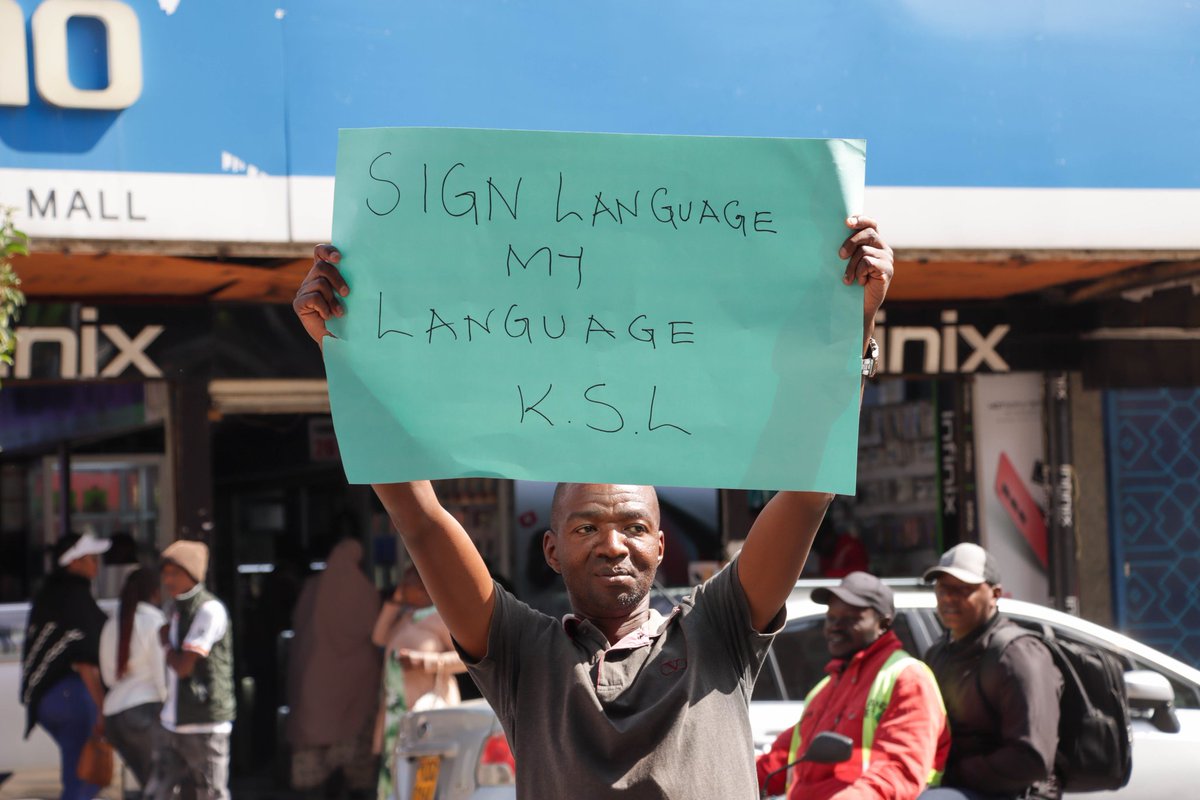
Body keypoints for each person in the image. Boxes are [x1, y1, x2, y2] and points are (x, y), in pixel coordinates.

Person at [292, 215, 893, 798]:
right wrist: (344, 355)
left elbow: (810, 490)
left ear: (661, 545)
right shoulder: (521, 654)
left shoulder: (720, 630)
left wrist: (855, 324)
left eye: (634, 527)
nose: (613, 544)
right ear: (550, 549)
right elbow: (420, 519)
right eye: (587, 527)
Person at [757, 572, 950, 800]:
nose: (834, 627)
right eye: (832, 618)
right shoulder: (825, 689)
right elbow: (777, 762)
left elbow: (898, 771)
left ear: (884, 623)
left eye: (850, 619)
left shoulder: (907, 678)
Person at [918, 544, 1063, 800]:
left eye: (963, 590)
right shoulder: (938, 653)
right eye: (942, 589)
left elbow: (1031, 757)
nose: (949, 598)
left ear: (995, 594)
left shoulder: (1019, 655)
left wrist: (953, 773)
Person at [287, 538, 382, 799]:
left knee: (315, 746)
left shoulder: (312, 589)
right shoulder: (364, 592)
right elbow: (376, 632)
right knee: (352, 744)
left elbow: (297, 625)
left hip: (315, 681)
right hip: (356, 681)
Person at [20, 531, 112, 800]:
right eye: (90, 558)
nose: (96, 563)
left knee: (80, 773)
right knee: (82, 779)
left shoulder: (54, 593)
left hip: (50, 698)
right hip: (70, 696)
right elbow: (83, 659)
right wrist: (101, 708)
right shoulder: (74, 597)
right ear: (73, 562)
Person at [145, 540, 235, 800]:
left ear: (192, 575)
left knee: (211, 794)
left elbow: (184, 667)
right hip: (173, 722)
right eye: (165, 573)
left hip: (204, 724)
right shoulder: (176, 610)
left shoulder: (209, 610)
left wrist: (165, 643)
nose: (167, 580)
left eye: (175, 573)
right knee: (159, 791)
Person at [371, 566, 465, 799]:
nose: (402, 587)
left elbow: (467, 659)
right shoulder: (405, 617)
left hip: (426, 716)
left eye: (409, 583)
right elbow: (378, 637)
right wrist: (394, 601)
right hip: (396, 716)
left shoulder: (441, 618)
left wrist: (427, 662)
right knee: (396, 784)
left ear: (425, 587)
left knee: (424, 786)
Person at [99, 566, 168, 788]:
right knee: (163, 786)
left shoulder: (110, 624)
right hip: (145, 714)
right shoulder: (155, 623)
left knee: (150, 785)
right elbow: (163, 678)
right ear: (156, 593)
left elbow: (109, 679)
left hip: (114, 717)